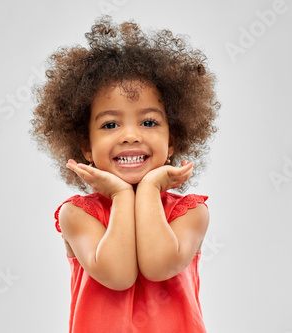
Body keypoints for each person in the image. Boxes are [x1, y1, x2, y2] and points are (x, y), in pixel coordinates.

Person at [31, 16, 219, 333]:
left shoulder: (190, 213)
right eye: (110, 124)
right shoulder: (77, 215)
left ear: (172, 140)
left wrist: (149, 189)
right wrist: (120, 195)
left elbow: (159, 266)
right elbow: (117, 276)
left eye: (148, 122)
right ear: (86, 147)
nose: (130, 135)